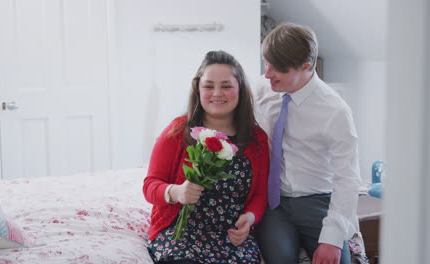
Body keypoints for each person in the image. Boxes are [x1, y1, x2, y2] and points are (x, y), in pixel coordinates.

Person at [143, 50, 269, 264]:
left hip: (230, 239)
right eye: (209, 86)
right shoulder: (177, 131)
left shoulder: (257, 139)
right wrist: (177, 192)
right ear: (198, 90)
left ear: (240, 89)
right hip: (180, 235)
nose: (217, 93)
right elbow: (150, 186)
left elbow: (259, 195)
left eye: (226, 86)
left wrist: (250, 218)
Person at [254, 23, 361, 264]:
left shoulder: (335, 111)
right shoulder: (263, 88)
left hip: (318, 200)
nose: (268, 73)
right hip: (275, 203)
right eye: (266, 63)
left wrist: (332, 239)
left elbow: (348, 178)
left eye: (277, 68)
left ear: (306, 66)